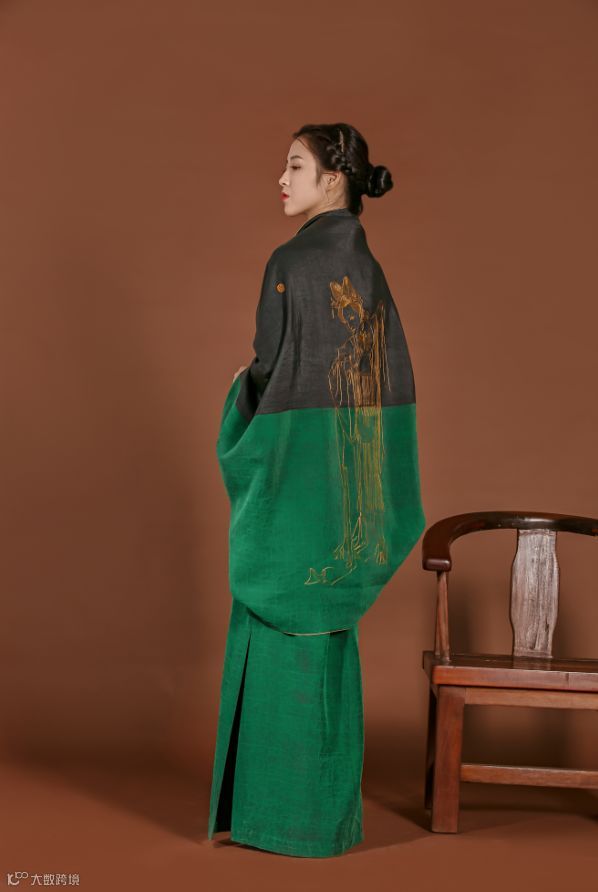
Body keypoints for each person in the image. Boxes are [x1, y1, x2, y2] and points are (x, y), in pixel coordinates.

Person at [207, 122, 426, 857]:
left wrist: (242, 391)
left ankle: (269, 818)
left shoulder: (290, 260)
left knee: (276, 608)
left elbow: (272, 366)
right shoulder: (371, 271)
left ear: (333, 179)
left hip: (297, 473)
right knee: (327, 621)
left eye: (295, 165)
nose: (282, 178)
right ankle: (324, 820)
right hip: (348, 478)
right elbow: (384, 379)